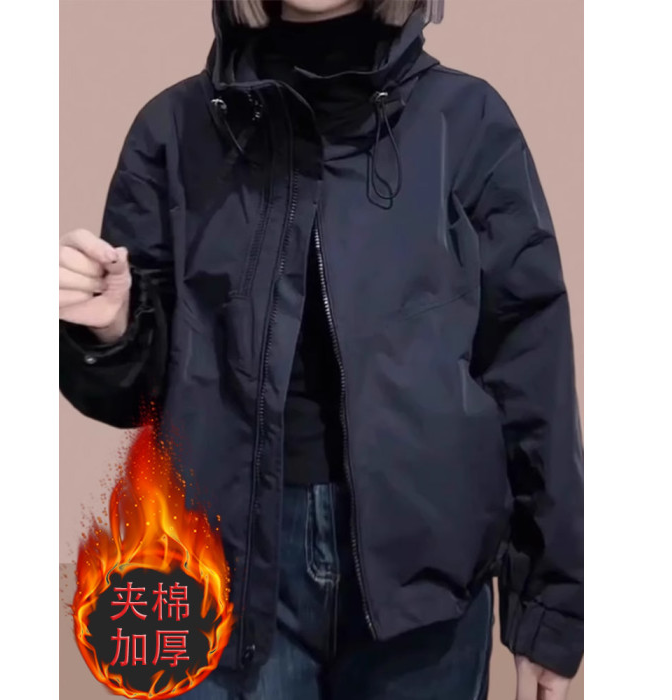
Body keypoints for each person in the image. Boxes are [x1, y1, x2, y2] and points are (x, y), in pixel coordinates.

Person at [59, 1, 584, 698]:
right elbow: (134, 397)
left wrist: (550, 605)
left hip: (427, 585)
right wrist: (111, 331)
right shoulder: (174, 131)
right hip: (223, 568)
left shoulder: (467, 123)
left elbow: (531, 368)